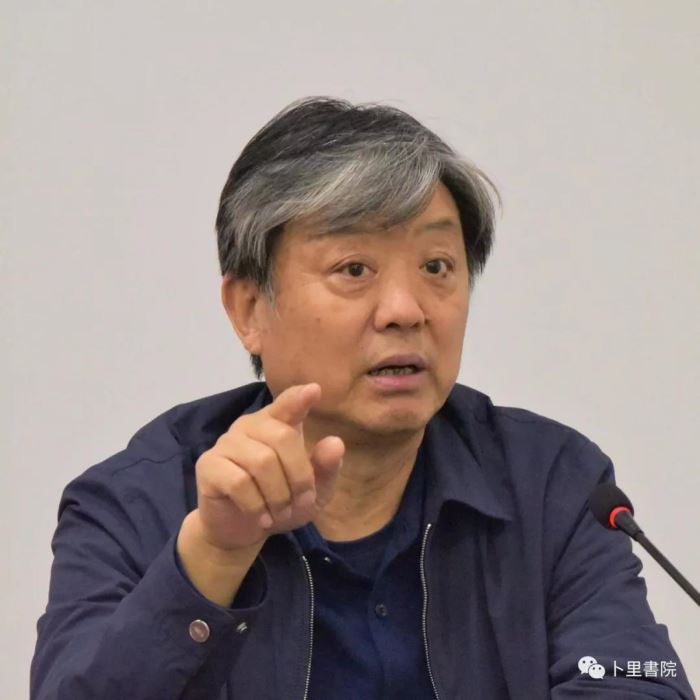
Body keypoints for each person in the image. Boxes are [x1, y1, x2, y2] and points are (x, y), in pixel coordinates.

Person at [31, 96, 695, 700]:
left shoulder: (554, 485)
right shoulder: (131, 506)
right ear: (249, 309)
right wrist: (214, 555)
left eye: (436, 267)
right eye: (354, 269)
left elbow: (634, 684)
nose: (405, 309)